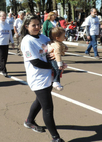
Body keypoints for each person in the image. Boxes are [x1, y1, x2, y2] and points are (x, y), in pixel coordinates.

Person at [20, 14, 65, 142]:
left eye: (38, 24)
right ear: (26, 26)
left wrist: (58, 57)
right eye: (33, 25)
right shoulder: (27, 41)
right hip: (38, 78)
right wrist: (54, 67)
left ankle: (29, 121)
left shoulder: (43, 37)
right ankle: (55, 138)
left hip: (47, 76)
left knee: (40, 101)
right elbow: (36, 62)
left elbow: (52, 48)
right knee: (48, 108)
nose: (36, 27)